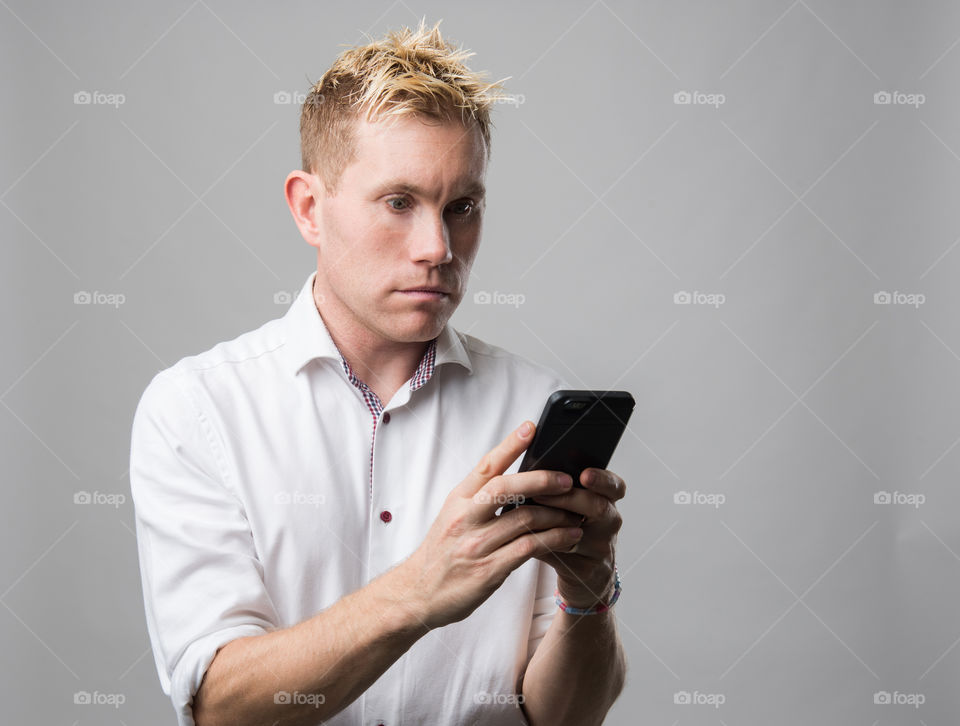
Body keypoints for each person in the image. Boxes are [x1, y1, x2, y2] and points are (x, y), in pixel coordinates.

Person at [129, 19, 626, 726]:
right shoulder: (197, 410)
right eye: (400, 203)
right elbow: (221, 705)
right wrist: (420, 590)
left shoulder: (532, 406)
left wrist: (588, 597)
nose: (438, 247)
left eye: (463, 208)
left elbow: (563, 720)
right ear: (309, 208)